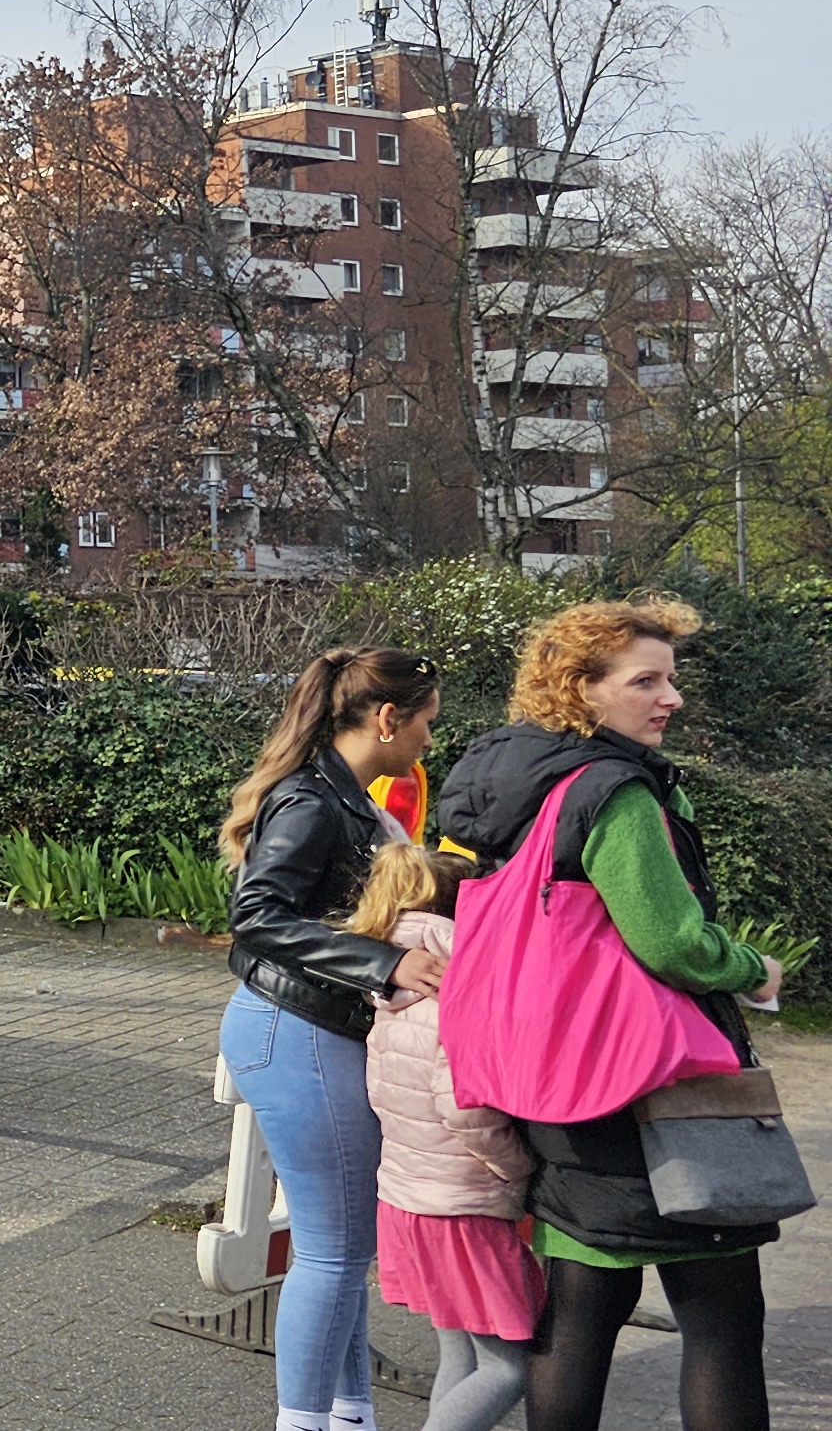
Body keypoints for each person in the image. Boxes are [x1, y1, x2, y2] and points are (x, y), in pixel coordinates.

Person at [434, 596, 782, 1431]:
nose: (672, 698)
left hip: (549, 1073)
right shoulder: (613, 792)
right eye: (646, 681)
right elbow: (673, 943)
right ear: (580, 688)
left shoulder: (506, 778)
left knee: (582, 1311)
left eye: (671, 678)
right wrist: (753, 967)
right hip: (649, 1085)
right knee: (724, 1318)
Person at [217, 645, 449, 1431]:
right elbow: (255, 917)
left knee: (343, 1248)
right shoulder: (316, 800)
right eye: (425, 721)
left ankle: (349, 1413)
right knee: (334, 1251)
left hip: (301, 1029)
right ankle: (307, 1420)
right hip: (299, 1032)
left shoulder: (336, 791)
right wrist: (386, 963)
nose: (428, 738)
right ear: (388, 718)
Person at [353, 840, 536, 1431]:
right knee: (510, 1367)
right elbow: (466, 1112)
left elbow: (383, 1092)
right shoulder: (455, 989)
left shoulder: (392, 986)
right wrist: (520, 1167)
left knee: (460, 1353)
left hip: (409, 1197)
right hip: (465, 1205)